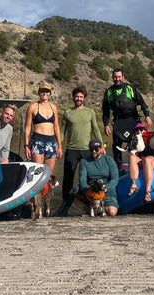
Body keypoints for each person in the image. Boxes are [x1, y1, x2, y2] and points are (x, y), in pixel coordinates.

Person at [54, 86, 103, 217]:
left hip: (88, 151)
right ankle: (65, 206)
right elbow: (62, 131)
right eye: (77, 96)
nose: (79, 99)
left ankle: (90, 206)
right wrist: (58, 146)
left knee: (89, 178)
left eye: (81, 97)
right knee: (68, 179)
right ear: (73, 98)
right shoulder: (67, 112)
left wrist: (101, 145)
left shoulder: (90, 112)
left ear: (84, 98)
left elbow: (96, 129)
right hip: (72, 150)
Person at [102, 69, 152, 169]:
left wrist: (147, 115)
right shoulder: (109, 92)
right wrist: (106, 124)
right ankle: (118, 168)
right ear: (112, 78)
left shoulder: (130, 88)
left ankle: (141, 165)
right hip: (118, 122)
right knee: (116, 147)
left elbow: (142, 102)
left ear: (123, 77)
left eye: (119, 77)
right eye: (115, 77)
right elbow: (105, 111)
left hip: (133, 121)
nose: (117, 79)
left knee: (139, 145)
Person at [24, 82, 62, 174]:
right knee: (38, 174)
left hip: (51, 141)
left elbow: (56, 127)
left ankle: (49, 188)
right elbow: (28, 128)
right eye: (42, 91)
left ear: (49, 93)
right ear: (39, 92)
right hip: (38, 140)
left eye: (47, 91)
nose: (45, 93)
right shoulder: (32, 107)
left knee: (49, 174)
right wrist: (26, 146)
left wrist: (60, 146)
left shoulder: (53, 107)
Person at [74, 139, 119, 216]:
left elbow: (115, 179)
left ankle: (103, 206)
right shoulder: (84, 161)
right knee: (75, 190)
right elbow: (82, 181)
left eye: (96, 149)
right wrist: (88, 193)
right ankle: (90, 205)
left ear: (101, 149)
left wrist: (105, 188)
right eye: (91, 149)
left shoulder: (109, 160)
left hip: (105, 189)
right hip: (91, 189)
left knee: (112, 212)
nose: (94, 151)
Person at [126, 123, 154, 202]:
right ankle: (134, 185)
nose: (139, 131)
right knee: (132, 157)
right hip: (141, 161)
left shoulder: (152, 139)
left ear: (146, 130)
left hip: (153, 160)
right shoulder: (135, 140)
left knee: (147, 159)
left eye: (141, 129)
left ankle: (148, 191)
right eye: (136, 130)